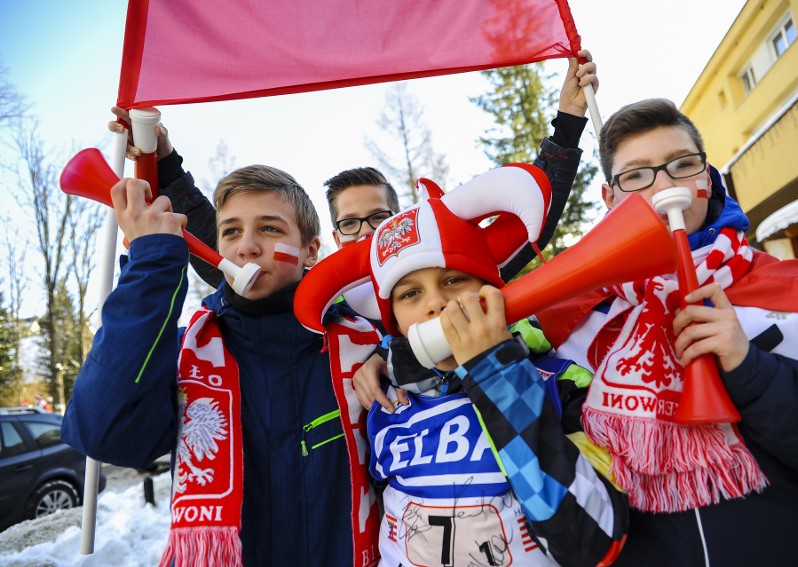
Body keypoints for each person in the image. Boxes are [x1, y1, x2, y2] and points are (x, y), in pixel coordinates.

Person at [109, 50, 600, 413]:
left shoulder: (444, 270)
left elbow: (528, 216)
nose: (366, 230)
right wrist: (164, 162)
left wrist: (568, 126)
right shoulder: (322, 301)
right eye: (350, 221)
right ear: (329, 238)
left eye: (379, 217)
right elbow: (231, 257)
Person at [534, 98, 798, 566]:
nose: (664, 184)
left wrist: (753, 371)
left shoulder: (792, 291)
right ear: (611, 199)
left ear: (706, 177)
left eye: (682, 165)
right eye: (637, 175)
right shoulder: (575, 320)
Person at [295, 165, 629, 566]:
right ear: (395, 322)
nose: (435, 304)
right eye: (411, 293)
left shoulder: (561, 383)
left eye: (453, 280)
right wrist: (389, 360)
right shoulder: (383, 402)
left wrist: (497, 372)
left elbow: (591, 544)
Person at [60, 166, 372, 565]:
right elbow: (103, 434)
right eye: (230, 232)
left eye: (270, 229)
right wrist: (151, 265)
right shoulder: (183, 353)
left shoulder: (366, 347)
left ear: (311, 250)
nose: (246, 247)